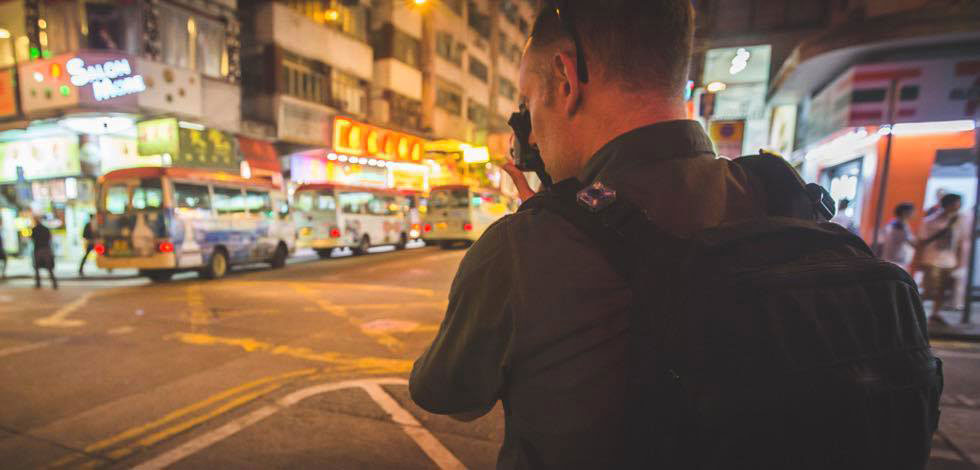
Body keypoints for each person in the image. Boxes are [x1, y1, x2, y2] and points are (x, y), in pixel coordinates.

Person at [411, 1, 939, 468]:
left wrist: (534, 235)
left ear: (566, 79)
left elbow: (447, 393)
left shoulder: (527, 246)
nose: (528, 125)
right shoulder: (784, 196)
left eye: (528, 99)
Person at [919, 193, 969, 324]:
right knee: (930, 289)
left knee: (942, 290)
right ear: (947, 204)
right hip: (932, 259)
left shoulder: (961, 220)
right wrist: (919, 260)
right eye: (955, 203)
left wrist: (960, 261)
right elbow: (922, 240)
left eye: (959, 203)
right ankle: (914, 309)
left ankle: (935, 313)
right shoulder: (931, 220)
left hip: (949, 260)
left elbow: (962, 242)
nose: (957, 206)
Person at [880, 202, 917, 269]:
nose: (914, 213)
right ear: (905, 212)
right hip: (896, 262)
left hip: (893, 260)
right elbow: (912, 243)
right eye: (912, 211)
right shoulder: (900, 226)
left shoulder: (894, 223)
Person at [31, 216, 58, 289]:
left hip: (38, 249)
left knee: (37, 267)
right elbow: (50, 238)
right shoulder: (46, 229)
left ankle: (38, 283)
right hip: (46, 249)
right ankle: (54, 283)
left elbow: (32, 238)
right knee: (49, 267)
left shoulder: (34, 229)